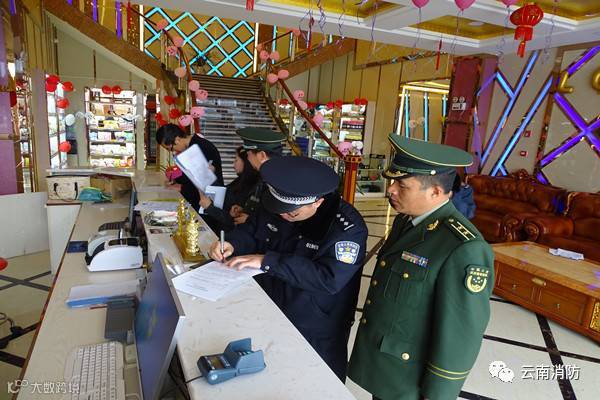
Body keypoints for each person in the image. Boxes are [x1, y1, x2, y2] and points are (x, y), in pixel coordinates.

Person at [348, 134, 494, 400]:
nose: (391, 189)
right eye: (392, 181)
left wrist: (439, 393)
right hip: (388, 366)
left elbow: (461, 332)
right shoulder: (406, 220)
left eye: (402, 185)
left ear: (435, 192)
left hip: (412, 378)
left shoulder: (463, 247)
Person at [208, 156, 368, 381]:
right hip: (268, 307)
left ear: (317, 202)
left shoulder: (347, 229)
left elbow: (328, 279)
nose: (283, 215)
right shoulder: (277, 204)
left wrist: (268, 261)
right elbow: (252, 231)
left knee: (315, 383)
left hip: (315, 324)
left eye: (291, 213)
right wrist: (232, 243)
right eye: (279, 209)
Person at [156, 124, 224, 212]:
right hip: (198, 203)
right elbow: (190, 175)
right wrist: (175, 180)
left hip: (209, 207)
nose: (173, 151)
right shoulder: (191, 147)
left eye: (171, 149)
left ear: (177, 140)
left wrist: (181, 188)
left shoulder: (201, 148)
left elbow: (203, 182)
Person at [230, 127, 286, 225]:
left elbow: (283, 221)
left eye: (248, 154)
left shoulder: (279, 181)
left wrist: (251, 220)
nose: (248, 159)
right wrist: (246, 210)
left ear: (261, 156)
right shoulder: (267, 175)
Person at [198, 146, 260, 232]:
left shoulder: (252, 187)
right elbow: (225, 193)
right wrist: (211, 176)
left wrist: (209, 208)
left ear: (245, 162)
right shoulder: (241, 180)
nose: (233, 164)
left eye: (236, 160)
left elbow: (233, 220)